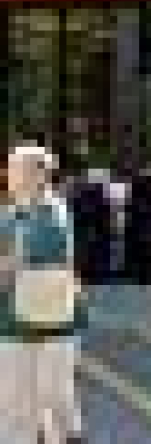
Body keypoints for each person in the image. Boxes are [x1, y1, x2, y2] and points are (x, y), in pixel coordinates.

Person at [0, 142, 84, 443]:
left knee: (52, 393)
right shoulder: (11, 214)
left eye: (15, 170)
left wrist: (10, 264)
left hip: (50, 314)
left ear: (39, 175)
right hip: (14, 316)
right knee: (15, 396)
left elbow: (31, 257)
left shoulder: (52, 213)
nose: (9, 176)